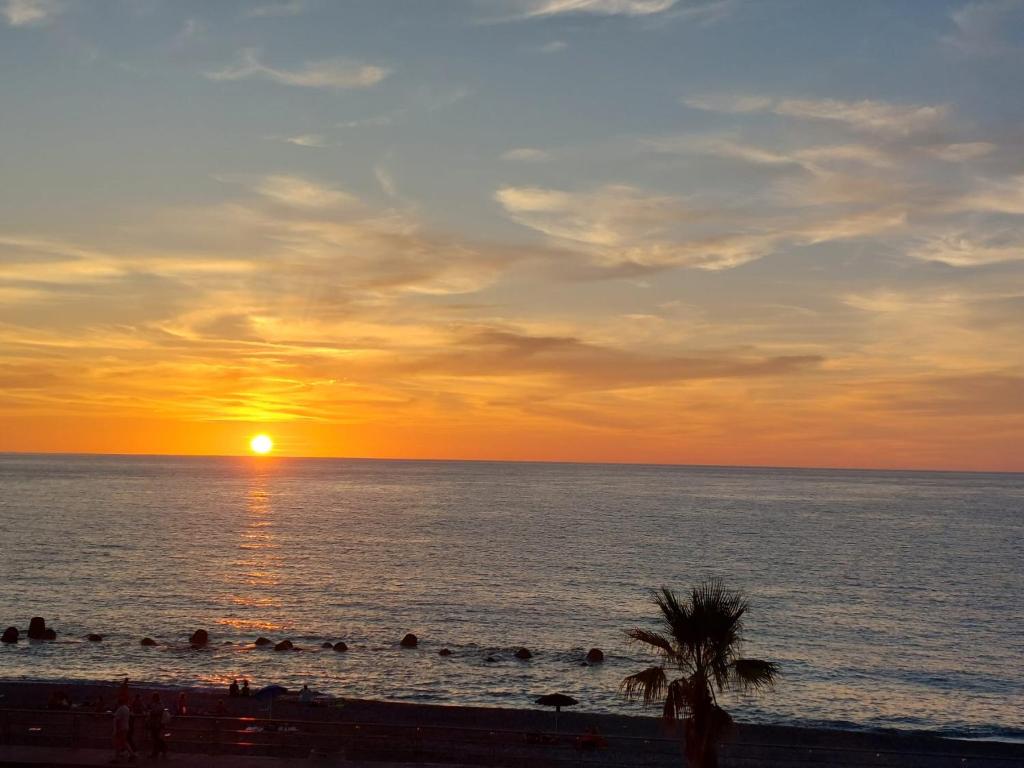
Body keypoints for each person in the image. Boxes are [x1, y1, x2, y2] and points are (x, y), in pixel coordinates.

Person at [147, 693, 168, 758]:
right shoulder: (158, 704)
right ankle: (162, 750)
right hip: (156, 723)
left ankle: (156, 752)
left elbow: (156, 712)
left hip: (156, 724)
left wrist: (151, 711)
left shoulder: (159, 704)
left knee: (156, 738)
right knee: (156, 738)